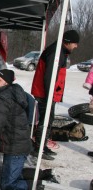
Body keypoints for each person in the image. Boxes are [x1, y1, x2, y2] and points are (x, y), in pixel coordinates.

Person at [31, 30, 80, 160]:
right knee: (45, 120)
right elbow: (49, 76)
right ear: (68, 42)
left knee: (48, 120)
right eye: (75, 43)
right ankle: (39, 148)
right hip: (44, 93)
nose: (76, 46)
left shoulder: (60, 51)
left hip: (47, 93)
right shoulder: (55, 52)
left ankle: (42, 146)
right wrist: (49, 96)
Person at [0, 69, 32, 190]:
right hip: (17, 142)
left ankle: (35, 185)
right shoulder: (13, 92)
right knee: (9, 176)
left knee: (8, 185)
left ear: (7, 82)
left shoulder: (2, 99)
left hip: (15, 146)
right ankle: (40, 176)